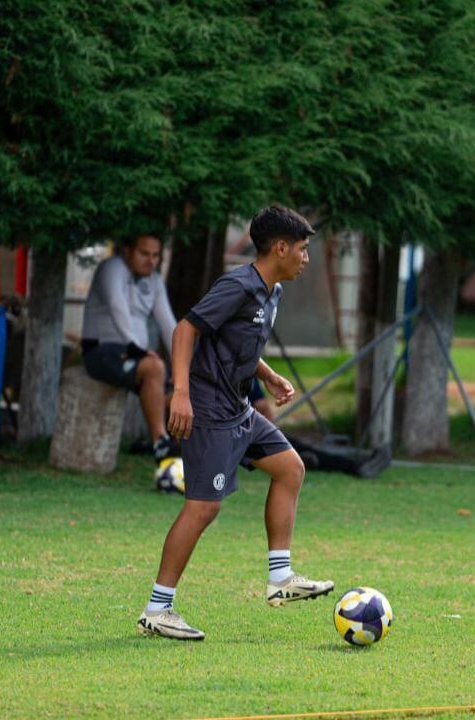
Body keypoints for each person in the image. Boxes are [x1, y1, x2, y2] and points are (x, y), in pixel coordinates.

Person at [136, 206, 333, 640]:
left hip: (239, 409)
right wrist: (181, 393)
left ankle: (280, 578)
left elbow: (237, 341)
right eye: (301, 249)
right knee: (203, 508)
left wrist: (268, 375)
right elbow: (185, 330)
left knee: (290, 468)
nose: (305, 258)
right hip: (208, 410)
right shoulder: (239, 285)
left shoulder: (272, 292)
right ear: (279, 248)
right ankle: (158, 608)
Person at [81, 234, 178, 465]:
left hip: (136, 356)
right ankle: (160, 442)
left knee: (181, 392)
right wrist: (135, 347)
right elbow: (117, 306)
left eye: (155, 255)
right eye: (144, 254)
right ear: (127, 251)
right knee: (155, 367)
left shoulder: (154, 281)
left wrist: (182, 367)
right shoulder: (112, 267)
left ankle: (178, 451)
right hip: (101, 351)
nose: (150, 261)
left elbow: (169, 326)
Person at [248, 380, 391, 479]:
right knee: (295, 449)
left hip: (241, 433)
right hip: (249, 433)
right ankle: (355, 465)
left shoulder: (239, 364)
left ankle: (352, 463)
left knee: (298, 449)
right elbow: (262, 405)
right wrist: (272, 434)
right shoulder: (247, 366)